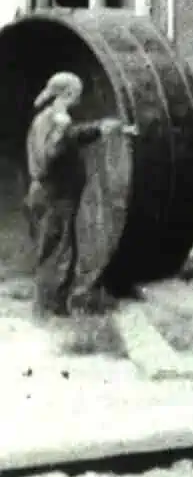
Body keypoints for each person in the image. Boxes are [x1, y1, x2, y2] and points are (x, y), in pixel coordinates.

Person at [22, 73, 138, 316]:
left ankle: (52, 307)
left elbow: (73, 137)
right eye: (77, 93)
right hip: (53, 196)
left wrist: (103, 128)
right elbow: (47, 158)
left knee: (57, 250)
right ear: (68, 94)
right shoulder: (50, 121)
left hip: (55, 196)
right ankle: (48, 310)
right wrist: (61, 132)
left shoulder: (54, 119)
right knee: (57, 253)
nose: (79, 98)